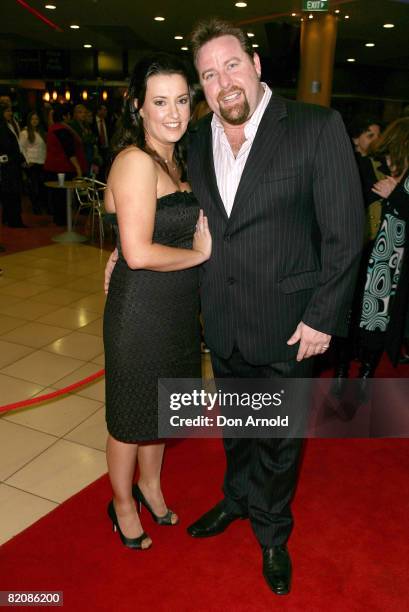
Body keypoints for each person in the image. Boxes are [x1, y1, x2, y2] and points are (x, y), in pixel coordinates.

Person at [105, 19, 364, 593]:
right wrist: (123, 255)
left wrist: (323, 315)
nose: (223, 81)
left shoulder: (316, 127)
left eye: (232, 65)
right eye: (209, 73)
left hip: (291, 322)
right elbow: (162, 214)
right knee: (240, 427)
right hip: (221, 321)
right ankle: (237, 499)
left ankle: (273, 533)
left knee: (279, 437)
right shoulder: (193, 142)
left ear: (256, 65)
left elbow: (346, 234)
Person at [103, 53, 211, 551]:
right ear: (138, 107)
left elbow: (121, 216)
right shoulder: (134, 160)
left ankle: (151, 486)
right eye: (160, 102)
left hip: (174, 311)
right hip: (140, 312)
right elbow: (140, 252)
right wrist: (198, 254)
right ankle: (122, 503)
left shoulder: (178, 158)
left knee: (162, 410)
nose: (174, 112)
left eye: (182, 100)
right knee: (130, 417)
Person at [44, 104, 87, 225]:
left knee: (57, 196)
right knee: (62, 196)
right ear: (65, 116)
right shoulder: (61, 129)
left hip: (53, 167)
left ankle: (60, 219)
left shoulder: (53, 127)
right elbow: (70, 152)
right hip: (62, 167)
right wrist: (78, 169)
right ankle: (63, 221)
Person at [0, 103, 26, 227]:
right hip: (9, 165)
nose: (10, 113)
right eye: (7, 111)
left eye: (10, 110)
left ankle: (8, 218)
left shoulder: (10, 125)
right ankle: (14, 221)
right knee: (12, 193)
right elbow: (7, 147)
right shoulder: (2, 127)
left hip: (11, 163)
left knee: (10, 193)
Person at [19, 111, 47, 214]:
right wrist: (27, 161)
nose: (35, 121)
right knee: (34, 187)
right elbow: (21, 148)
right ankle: (36, 207)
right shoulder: (24, 133)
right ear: (29, 120)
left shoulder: (41, 132)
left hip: (42, 161)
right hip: (32, 162)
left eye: (36, 119)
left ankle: (41, 206)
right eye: (32, 119)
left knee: (41, 186)